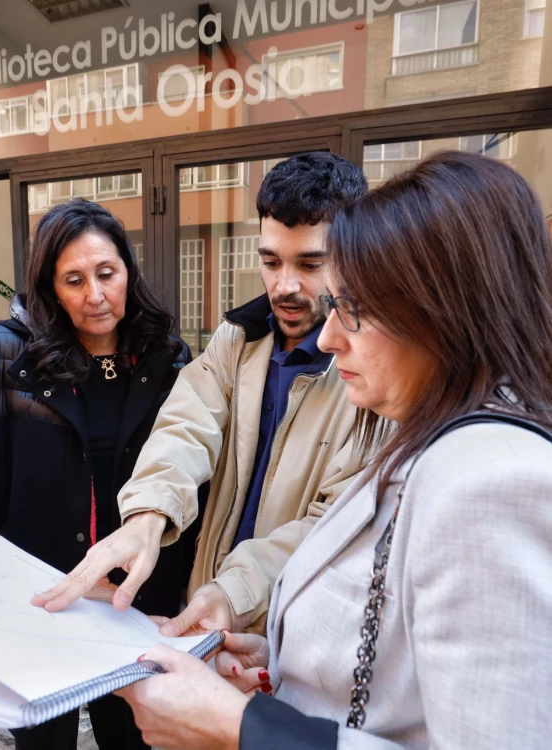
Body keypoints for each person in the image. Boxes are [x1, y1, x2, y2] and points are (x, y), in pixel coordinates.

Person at [114, 150, 552, 749]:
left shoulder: (489, 481)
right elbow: (392, 662)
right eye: (269, 261)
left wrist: (239, 726)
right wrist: (285, 668)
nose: (326, 333)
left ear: (443, 311)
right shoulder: (423, 428)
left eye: (354, 307)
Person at [0, 198, 194, 750]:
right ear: (50, 288)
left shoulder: (170, 359)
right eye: (74, 280)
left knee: (135, 737)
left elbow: (191, 470)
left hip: (134, 600)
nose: (96, 295)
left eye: (107, 273)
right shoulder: (4, 354)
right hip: (38, 600)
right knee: (41, 740)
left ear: (128, 269)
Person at [33, 153, 371, 637]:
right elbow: (186, 428)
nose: (285, 286)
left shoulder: (368, 373)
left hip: (295, 628)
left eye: (310, 263)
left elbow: (334, 523)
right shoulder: (238, 339)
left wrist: (233, 592)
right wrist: (148, 516)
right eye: (271, 262)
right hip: (210, 610)